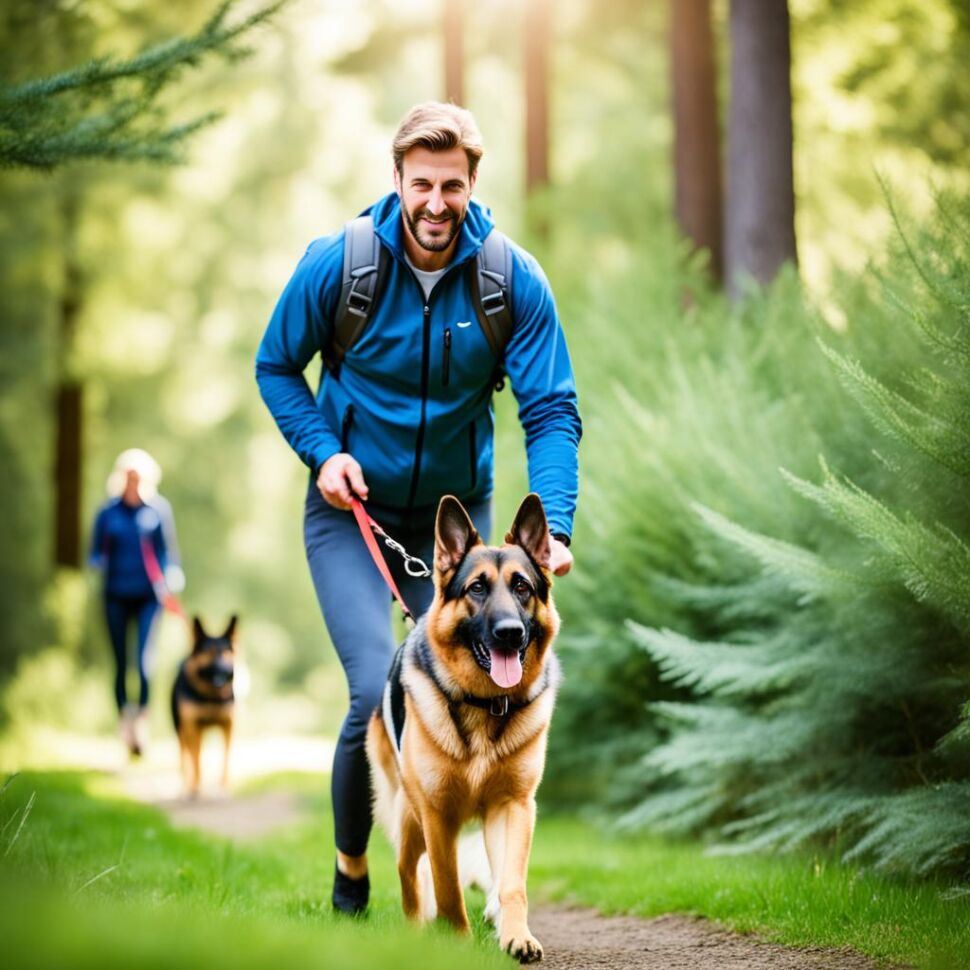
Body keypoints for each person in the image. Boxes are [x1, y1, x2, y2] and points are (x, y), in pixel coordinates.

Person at [255, 101, 581, 914]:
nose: (437, 203)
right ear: (397, 180)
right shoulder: (342, 264)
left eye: (454, 186)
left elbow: (551, 409)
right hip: (350, 515)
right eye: (422, 184)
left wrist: (559, 526)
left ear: (474, 184)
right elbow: (274, 366)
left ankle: (453, 855)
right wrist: (324, 451)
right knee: (378, 688)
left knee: (478, 691)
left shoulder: (510, 279)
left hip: (456, 529)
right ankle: (351, 874)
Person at [89, 448, 184, 757]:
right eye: (130, 476)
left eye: (139, 476)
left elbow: (168, 552)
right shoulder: (107, 512)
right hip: (114, 594)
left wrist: (172, 576)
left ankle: (141, 722)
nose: (134, 481)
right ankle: (124, 723)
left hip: (149, 597)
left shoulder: (158, 511)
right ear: (121, 477)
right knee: (120, 663)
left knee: (143, 663)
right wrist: (96, 564)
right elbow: (94, 552)